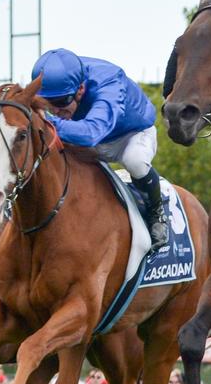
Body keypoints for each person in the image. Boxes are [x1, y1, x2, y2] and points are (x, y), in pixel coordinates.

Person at [31, 49, 167, 248]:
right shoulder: (57, 81)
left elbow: (91, 133)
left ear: (80, 90)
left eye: (61, 102)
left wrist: (47, 122)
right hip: (89, 141)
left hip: (129, 136)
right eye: (48, 103)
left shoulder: (109, 82)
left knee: (135, 161)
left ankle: (157, 213)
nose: (56, 111)